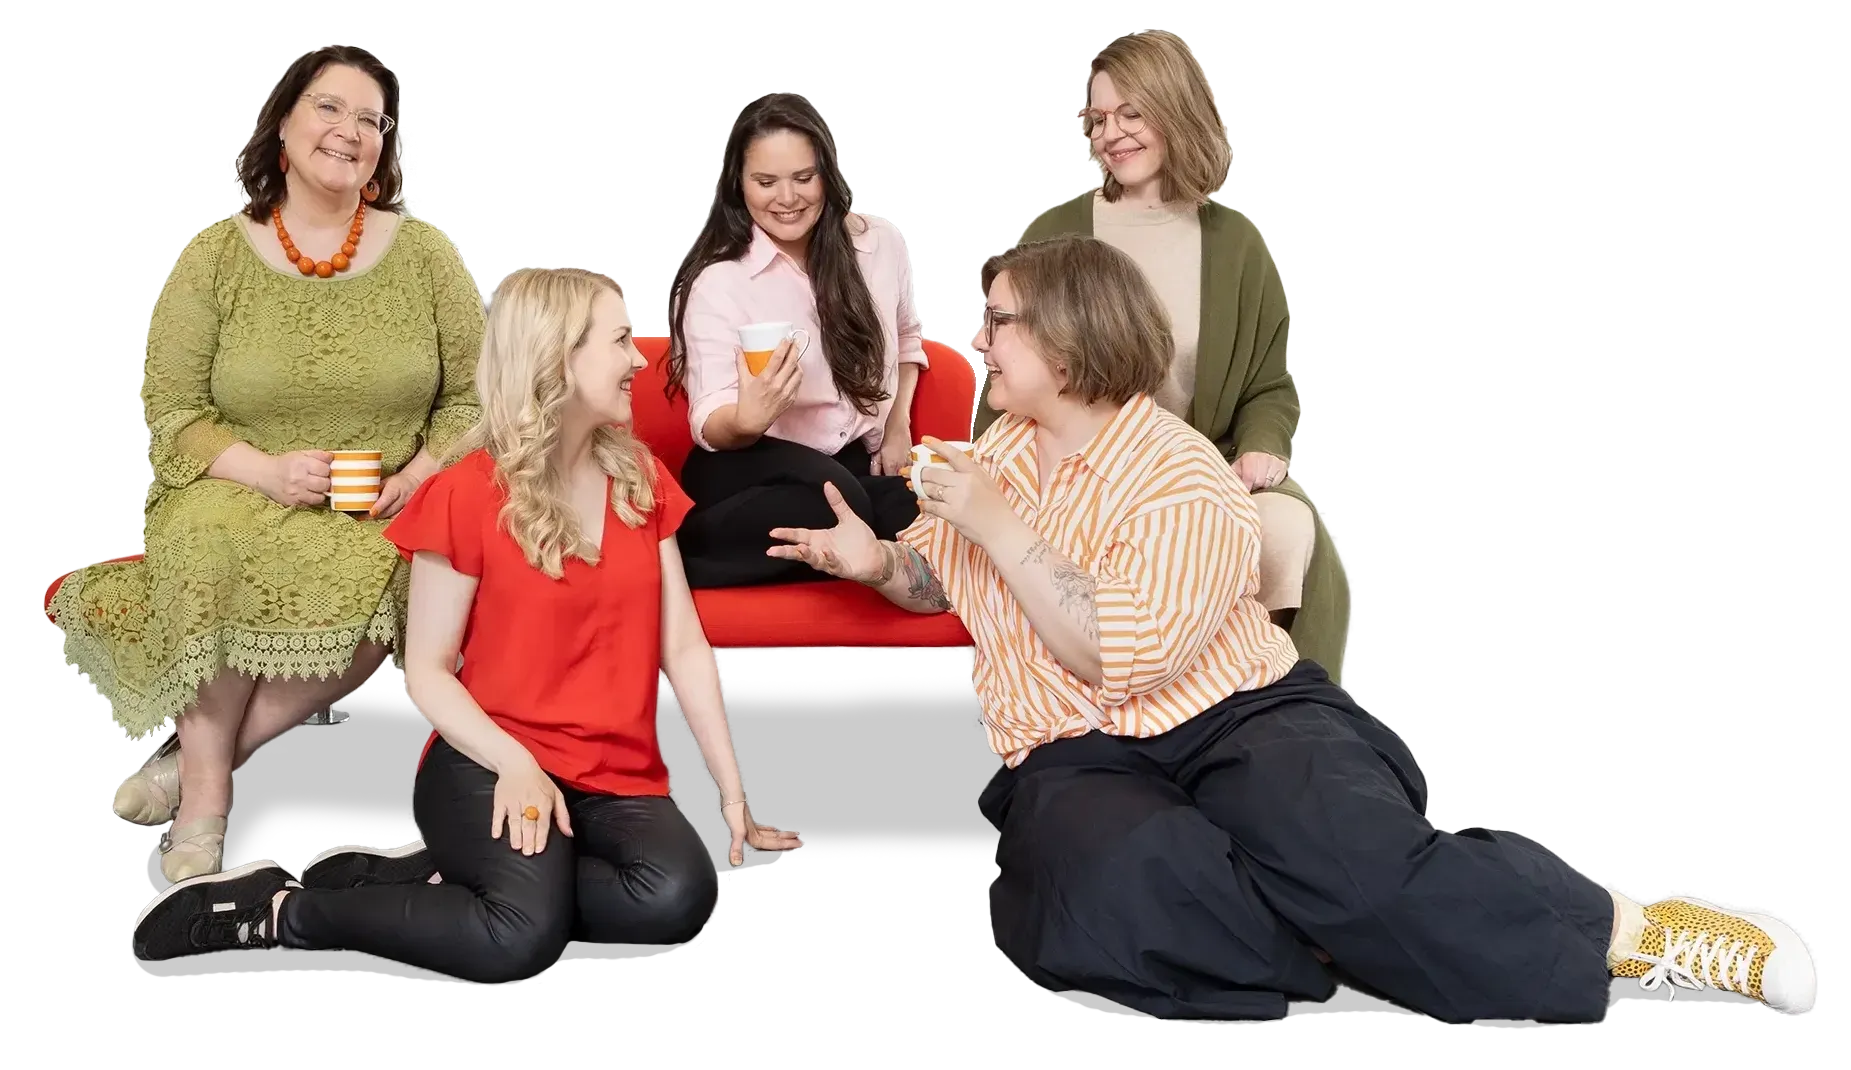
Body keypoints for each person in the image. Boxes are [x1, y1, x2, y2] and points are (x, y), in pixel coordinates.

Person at [763, 234, 1817, 1024]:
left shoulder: (1177, 473)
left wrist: (993, 521)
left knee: (1357, 863)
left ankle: (1638, 932)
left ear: (1073, 341)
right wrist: (880, 563)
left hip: (1236, 714)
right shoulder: (994, 456)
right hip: (1075, 752)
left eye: (998, 321)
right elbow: (935, 579)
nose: (976, 339)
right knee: (1101, 899)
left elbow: (1109, 649)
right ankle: (1372, 938)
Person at [126, 266, 805, 984]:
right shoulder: (464, 493)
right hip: (484, 760)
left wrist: (734, 796)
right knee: (517, 940)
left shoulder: (639, 477)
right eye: (618, 341)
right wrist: (515, 763)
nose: (640, 358)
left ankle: (446, 878)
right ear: (558, 358)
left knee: (677, 899)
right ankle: (278, 912)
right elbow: (426, 670)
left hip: (615, 774)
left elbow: (684, 648)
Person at [53, 45, 485, 884]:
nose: (350, 131)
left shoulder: (427, 255)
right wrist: (264, 472)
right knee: (211, 552)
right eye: (330, 108)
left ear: (384, 147)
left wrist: (419, 473)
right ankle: (209, 800)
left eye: (371, 119)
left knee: (391, 578)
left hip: (381, 500)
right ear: (282, 125)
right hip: (239, 485)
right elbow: (174, 411)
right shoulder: (214, 256)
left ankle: (191, 764)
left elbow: (473, 401)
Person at [971, 28, 1353, 682]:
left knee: (1289, 534)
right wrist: (988, 480)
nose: (1109, 133)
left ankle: (1265, 708)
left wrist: (1262, 447)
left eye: (1130, 113)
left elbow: (1267, 385)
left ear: (1175, 110)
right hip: (1080, 477)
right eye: (1097, 119)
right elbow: (1005, 364)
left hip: (1204, 473)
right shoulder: (1054, 234)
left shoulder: (1237, 246)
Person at [663, 92, 928, 589]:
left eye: (804, 179)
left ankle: (829, 546)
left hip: (844, 462)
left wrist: (897, 428)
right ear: (739, 186)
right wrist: (749, 417)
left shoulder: (880, 244)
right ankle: (674, 556)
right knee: (840, 503)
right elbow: (708, 422)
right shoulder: (720, 280)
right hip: (744, 466)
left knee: (919, 509)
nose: (787, 198)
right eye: (766, 182)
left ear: (827, 173)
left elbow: (909, 343)